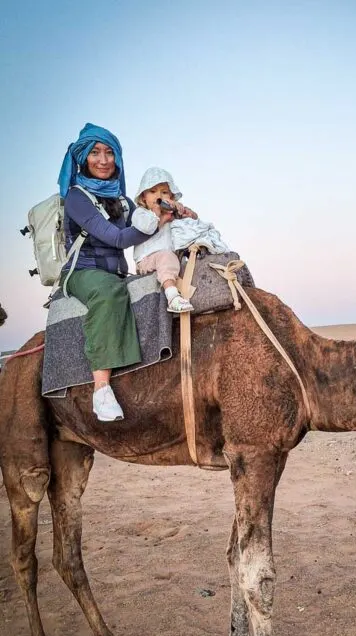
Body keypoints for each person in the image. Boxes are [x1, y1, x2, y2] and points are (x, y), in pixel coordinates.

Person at [58, 123, 172, 422]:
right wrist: (156, 224)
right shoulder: (77, 198)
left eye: (109, 153)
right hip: (84, 274)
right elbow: (120, 239)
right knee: (109, 292)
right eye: (95, 152)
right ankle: (101, 389)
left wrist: (171, 210)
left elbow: (144, 219)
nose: (103, 160)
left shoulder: (121, 199)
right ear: (83, 158)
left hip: (118, 272)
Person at [133, 168, 229, 312]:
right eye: (153, 191)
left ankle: (203, 299)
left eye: (164, 192)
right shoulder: (141, 213)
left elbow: (193, 221)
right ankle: (173, 297)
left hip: (170, 258)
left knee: (189, 263)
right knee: (166, 257)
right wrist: (160, 214)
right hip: (147, 260)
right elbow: (146, 228)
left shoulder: (170, 213)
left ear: (171, 196)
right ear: (143, 197)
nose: (159, 196)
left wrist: (184, 212)